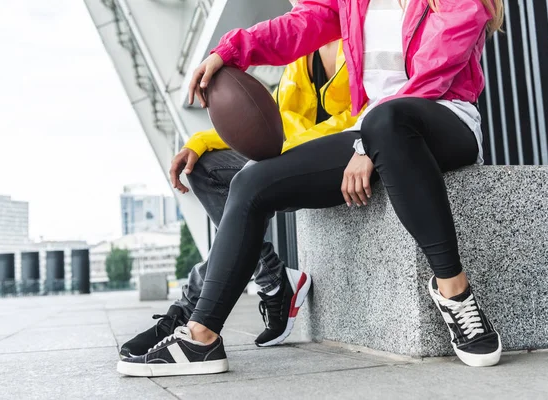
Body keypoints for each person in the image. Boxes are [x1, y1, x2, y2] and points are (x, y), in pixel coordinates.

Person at [117, 0, 505, 377]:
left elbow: (433, 75)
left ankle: (454, 291)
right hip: (370, 132)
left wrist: (366, 144)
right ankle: (200, 337)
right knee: (250, 184)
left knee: (386, 120)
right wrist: (230, 51)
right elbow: (300, 24)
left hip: (444, 119)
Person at [118, 35, 357, 357]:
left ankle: (191, 314)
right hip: (297, 160)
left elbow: (366, 114)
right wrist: (202, 140)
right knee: (204, 166)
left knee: (250, 178)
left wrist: (281, 154)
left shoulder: (365, 31)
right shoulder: (306, 53)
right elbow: (276, 125)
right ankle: (272, 278)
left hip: (353, 160)